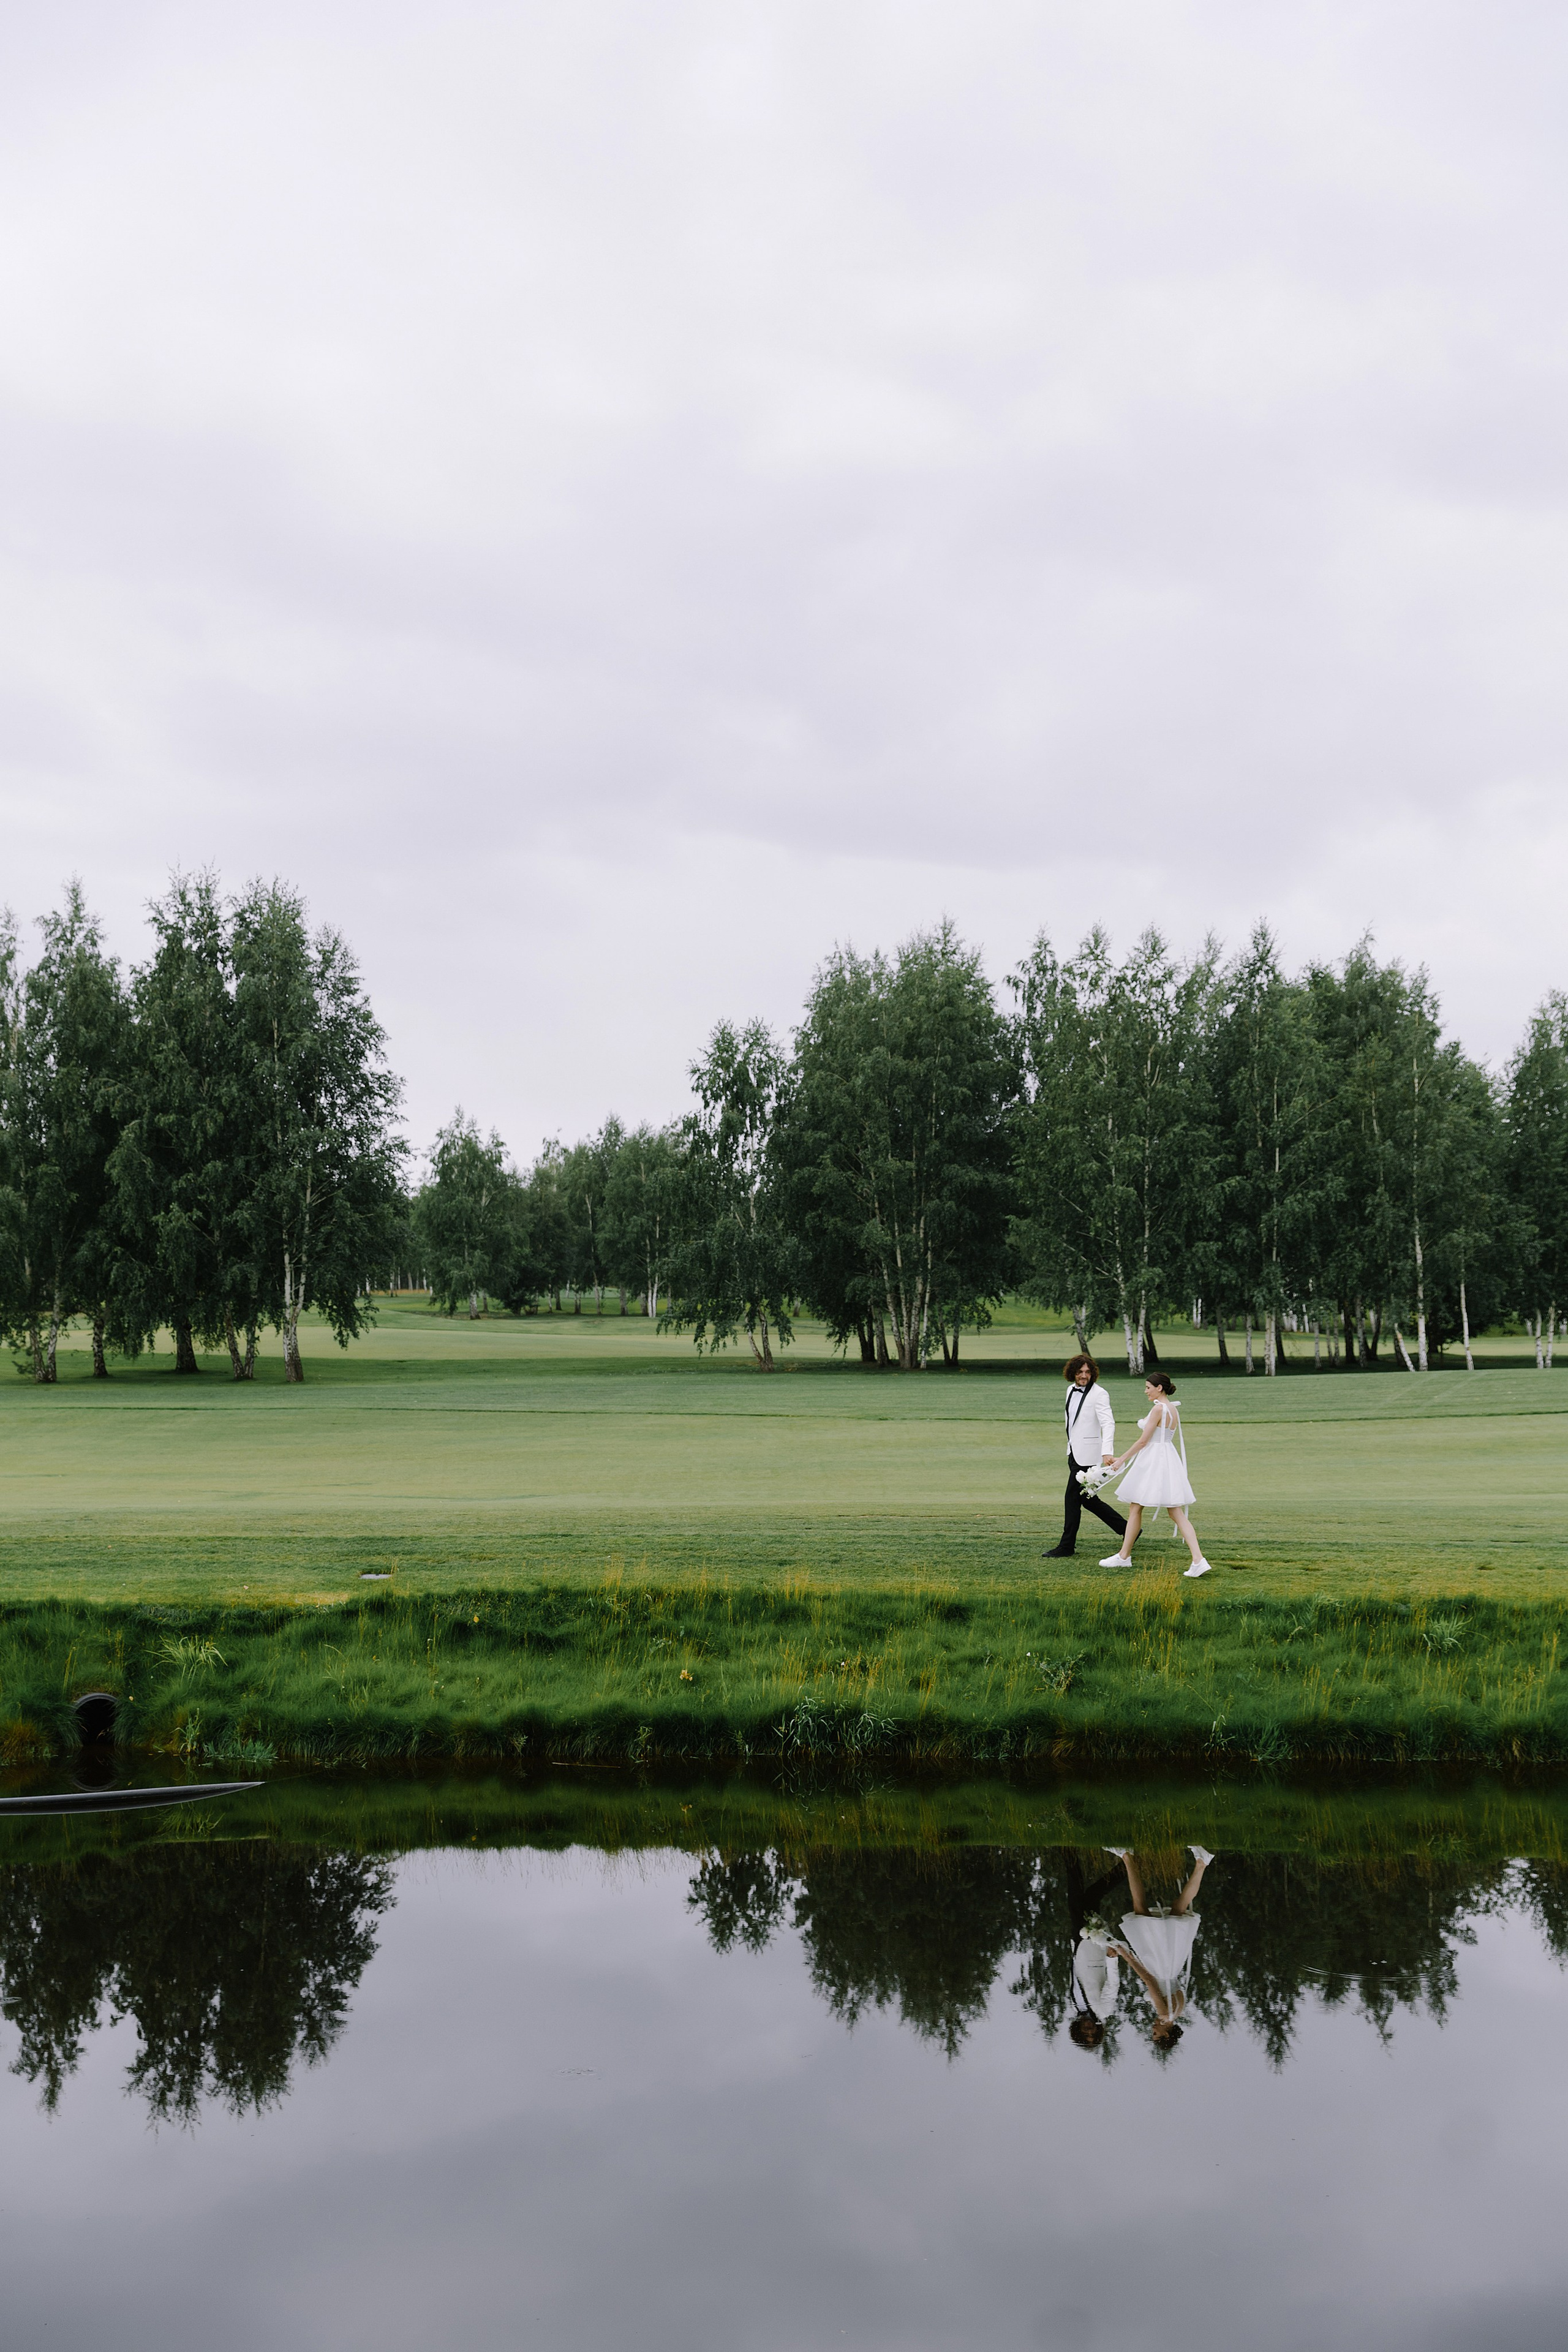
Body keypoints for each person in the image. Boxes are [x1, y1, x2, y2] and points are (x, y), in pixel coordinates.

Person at [1100, 1371, 1213, 1578]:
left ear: (1159, 1388)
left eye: (1148, 1388)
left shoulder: (1159, 1410)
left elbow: (1143, 1441)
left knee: (1138, 1507)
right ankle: (1198, 1560)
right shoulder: (1173, 1409)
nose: (1146, 1392)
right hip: (1167, 1458)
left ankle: (1125, 1557)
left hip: (1154, 1460)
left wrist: (1121, 1459)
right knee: (1169, 1511)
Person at [1106, 1844, 1215, 2049]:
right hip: (1159, 1962)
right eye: (1156, 2033)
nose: (1153, 2028)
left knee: (1178, 1908)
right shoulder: (1166, 2014)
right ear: (1167, 2034)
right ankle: (1127, 1856)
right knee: (1140, 1910)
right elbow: (1149, 1979)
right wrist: (1126, 1955)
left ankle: (1202, 1863)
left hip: (1173, 1961)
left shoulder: (1179, 2011)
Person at [1043, 1353, 1127, 1560]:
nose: (1084, 1376)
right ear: (1073, 1372)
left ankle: (1067, 1546)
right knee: (1088, 1500)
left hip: (1089, 1456)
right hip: (1074, 1452)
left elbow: (1108, 1423)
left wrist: (1107, 1451)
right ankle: (1129, 1529)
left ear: (1093, 1374)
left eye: (1088, 1372)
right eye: (1080, 1372)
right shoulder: (1070, 1390)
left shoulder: (1100, 1394)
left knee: (1071, 1499)